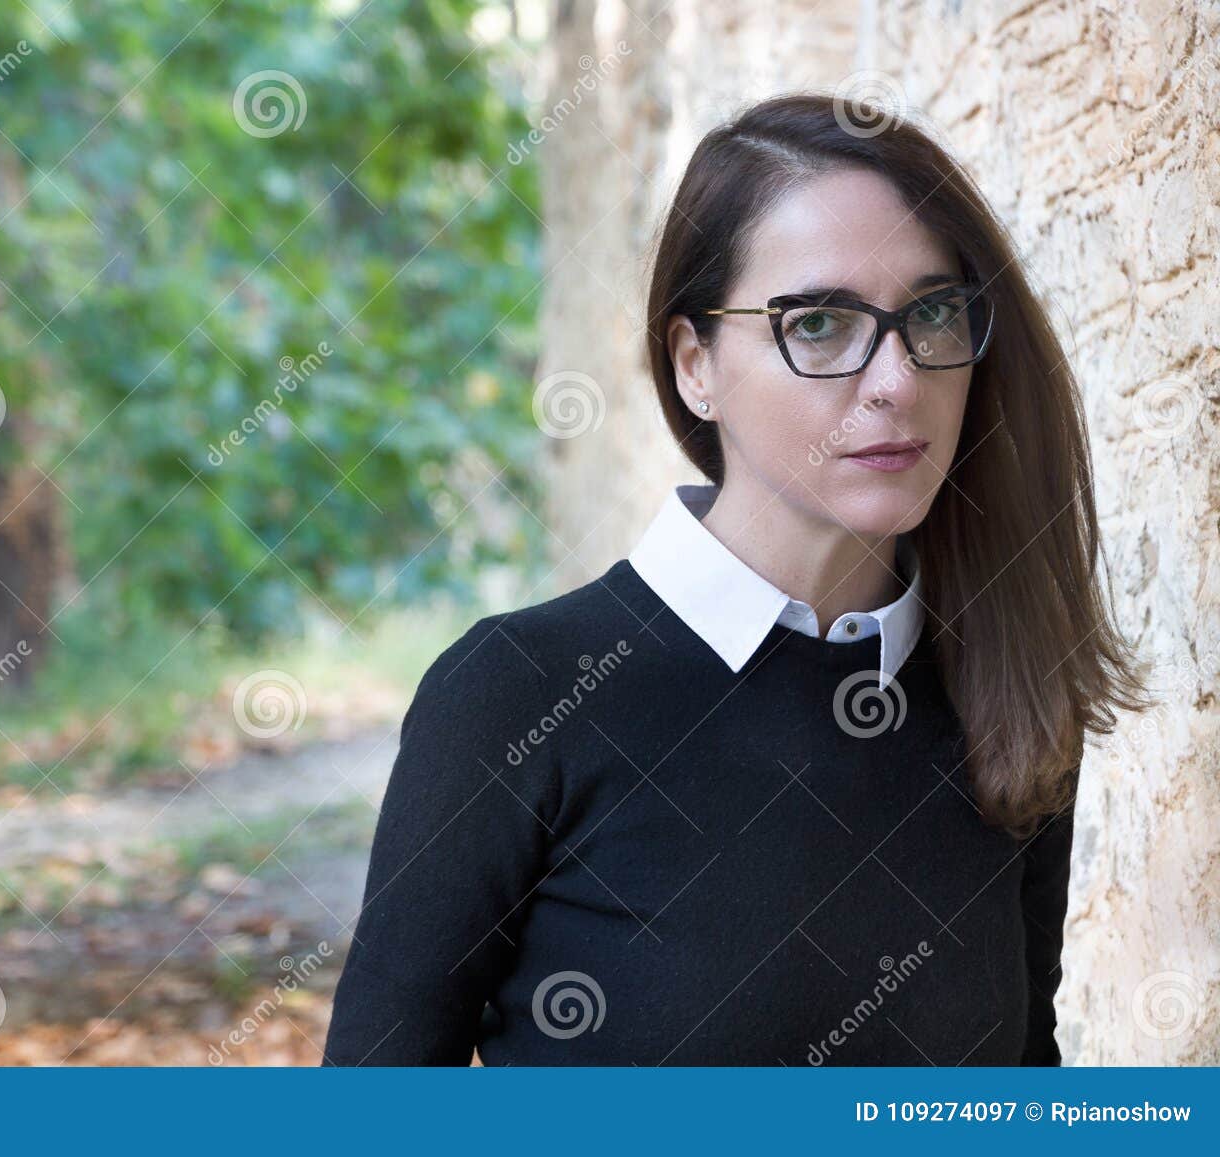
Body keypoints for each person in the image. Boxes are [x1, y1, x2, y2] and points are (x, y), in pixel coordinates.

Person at [320, 91, 1151, 1067]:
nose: (894, 380)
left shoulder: (1003, 693)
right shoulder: (516, 693)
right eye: (821, 323)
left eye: (931, 311)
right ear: (693, 365)